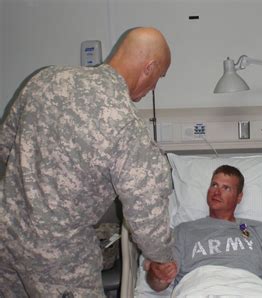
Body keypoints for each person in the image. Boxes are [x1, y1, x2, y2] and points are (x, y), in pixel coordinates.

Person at [0, 27, 174, 297]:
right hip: (58, 261)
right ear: (149, 67)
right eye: (159, 78)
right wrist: (161, 257)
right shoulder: (125, 125)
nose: (154, 87)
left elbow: (5, 147)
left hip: (6, 234)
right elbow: (147, 212)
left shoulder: (45, 79)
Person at [145, 165, 262, 298]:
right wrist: (158, 274)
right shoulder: (183, 231)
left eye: (226, 188)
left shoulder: (257, 230)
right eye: (214, 185)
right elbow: (158, 283)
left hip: (251, 291)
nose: (216, 191)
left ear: (239, 197)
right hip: (200, 290)